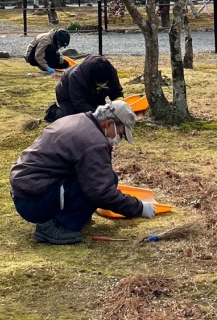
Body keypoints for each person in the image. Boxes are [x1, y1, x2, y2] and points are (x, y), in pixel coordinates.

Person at [10, 99, 156, 244]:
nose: (118, 139)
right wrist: (139, 208)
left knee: (107, 177)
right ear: (109, 123)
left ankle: (73, 215)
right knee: (102, 183)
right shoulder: (93, 142)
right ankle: (57, 225)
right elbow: (102, 192)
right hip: (33, 201)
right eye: (120, 133)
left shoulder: (79, 120)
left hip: (27, 191)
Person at [46, 54, 123, 122]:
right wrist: (100, 114)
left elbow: (116, 92)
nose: (103, 84)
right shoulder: (76, 76)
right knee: (73, 117)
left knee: (102, 113)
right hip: (68, 96)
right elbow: (79, 103)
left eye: (105, 82)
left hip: (94, 96)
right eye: (100, 83)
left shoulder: (111, 72)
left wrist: (120, 106)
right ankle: (52, 111)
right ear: (92, 78)